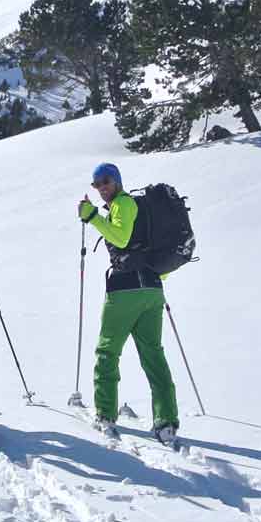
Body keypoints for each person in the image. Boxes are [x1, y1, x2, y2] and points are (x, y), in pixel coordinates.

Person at [78, 162, 180, 444]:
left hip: (124, 289)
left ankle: (105, 414)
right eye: (97, 184)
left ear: (118, 181)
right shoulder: (139, 209)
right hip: (152, 289)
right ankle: (166, 421)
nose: (101, 188)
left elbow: (120, 239)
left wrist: (92, 217)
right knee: (153, 354)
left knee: (108, 352)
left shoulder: (123, 205)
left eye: (106, 181)